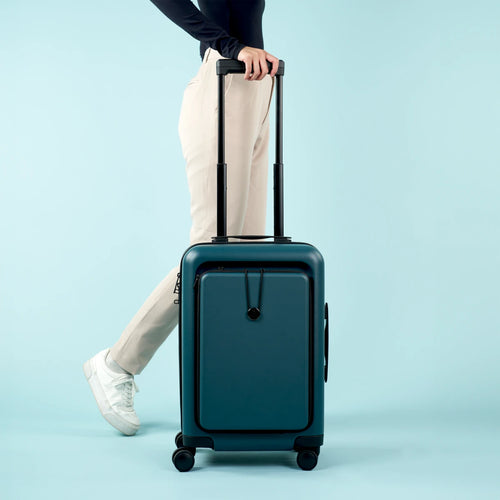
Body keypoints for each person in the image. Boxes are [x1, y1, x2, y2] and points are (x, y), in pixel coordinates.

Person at [83, 0, 280, 436]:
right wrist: (232, 46)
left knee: (246, 260)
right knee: (209, 256)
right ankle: (117, 363)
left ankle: (233, 390)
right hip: (225, 82)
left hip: (258, 86)